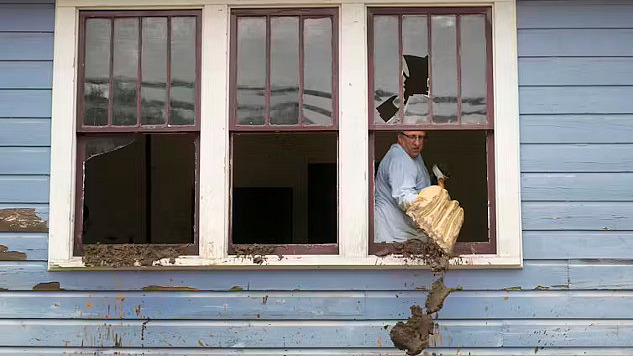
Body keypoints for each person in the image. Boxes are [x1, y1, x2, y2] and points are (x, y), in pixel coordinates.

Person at [374, 131, 431, 243]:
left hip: (402, 235)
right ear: (400, 138)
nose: (417, 143)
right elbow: (404, 196)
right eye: (412, 137)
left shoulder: (413, 155)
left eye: (421, 137)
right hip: (394, 238)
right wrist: (432, 205)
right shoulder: (400, 158)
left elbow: (416, 184)